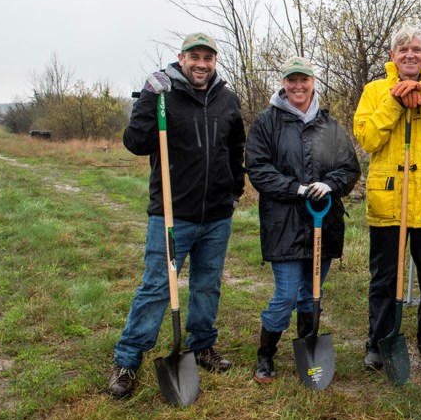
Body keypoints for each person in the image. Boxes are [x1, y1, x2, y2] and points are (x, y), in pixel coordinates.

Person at [108, 32, 246, 398]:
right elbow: (136, 144)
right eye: (194, 56)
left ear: (215, 61)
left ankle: (202, 345)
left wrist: (235, 191)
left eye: (208, 58)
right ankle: (127, 360)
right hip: (172, 214)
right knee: (156, 287)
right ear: (181, 58)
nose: (201, 64)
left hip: (217, 216)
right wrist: (148, 97)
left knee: (208, 284)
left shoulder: (227, 100)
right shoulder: (163, 95)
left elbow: (236, 150)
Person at [245, 56, 360, 383]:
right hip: (284, 225)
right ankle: (265, 354)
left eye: (304, 80)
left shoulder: (329, 125)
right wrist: (296, 188)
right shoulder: (267, 122)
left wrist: (330, 184)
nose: (298, 86)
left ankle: (307, 348)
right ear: (283, 83)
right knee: (285, 295)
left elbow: (349, 169)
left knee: (312, 292)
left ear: (313, 83)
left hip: (322, 222)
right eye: (292, 80)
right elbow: (258, 169)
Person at [353, 24, 421, 372]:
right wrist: (394, 101)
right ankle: (379, 342)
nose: (410, 55)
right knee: (384, 278)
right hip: (388, 204)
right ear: (393, 56)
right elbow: (368, 139)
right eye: (403, 50)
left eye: (416, 50)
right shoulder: (373, 91)